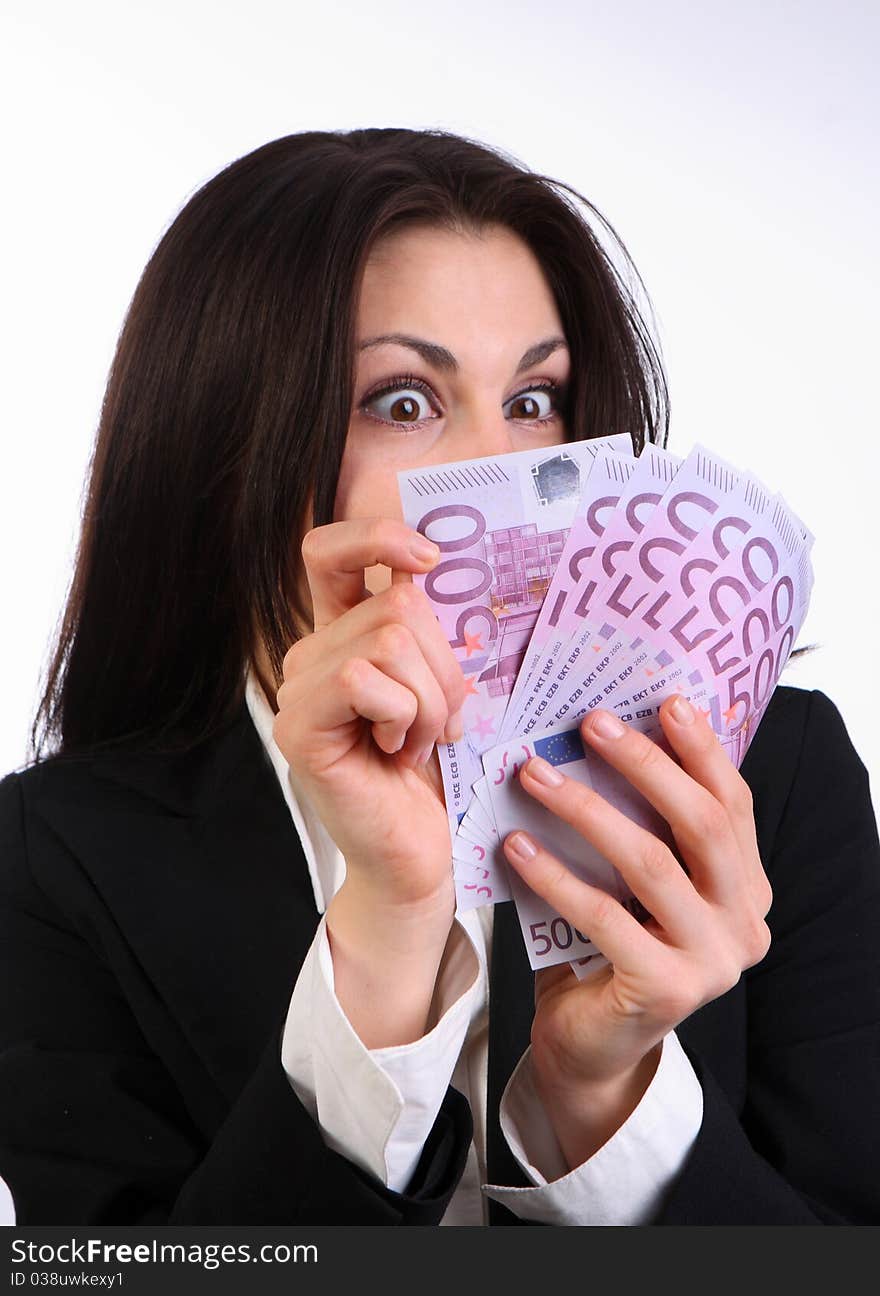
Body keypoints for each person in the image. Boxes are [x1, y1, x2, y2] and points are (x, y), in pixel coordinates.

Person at [1, 127, 878, 1226]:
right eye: (403, 401)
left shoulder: (771, 772)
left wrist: (599, 1099)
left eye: (533, 398)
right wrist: (382, 945)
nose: (503, 470)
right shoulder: (58, 855)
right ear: (226, 443)